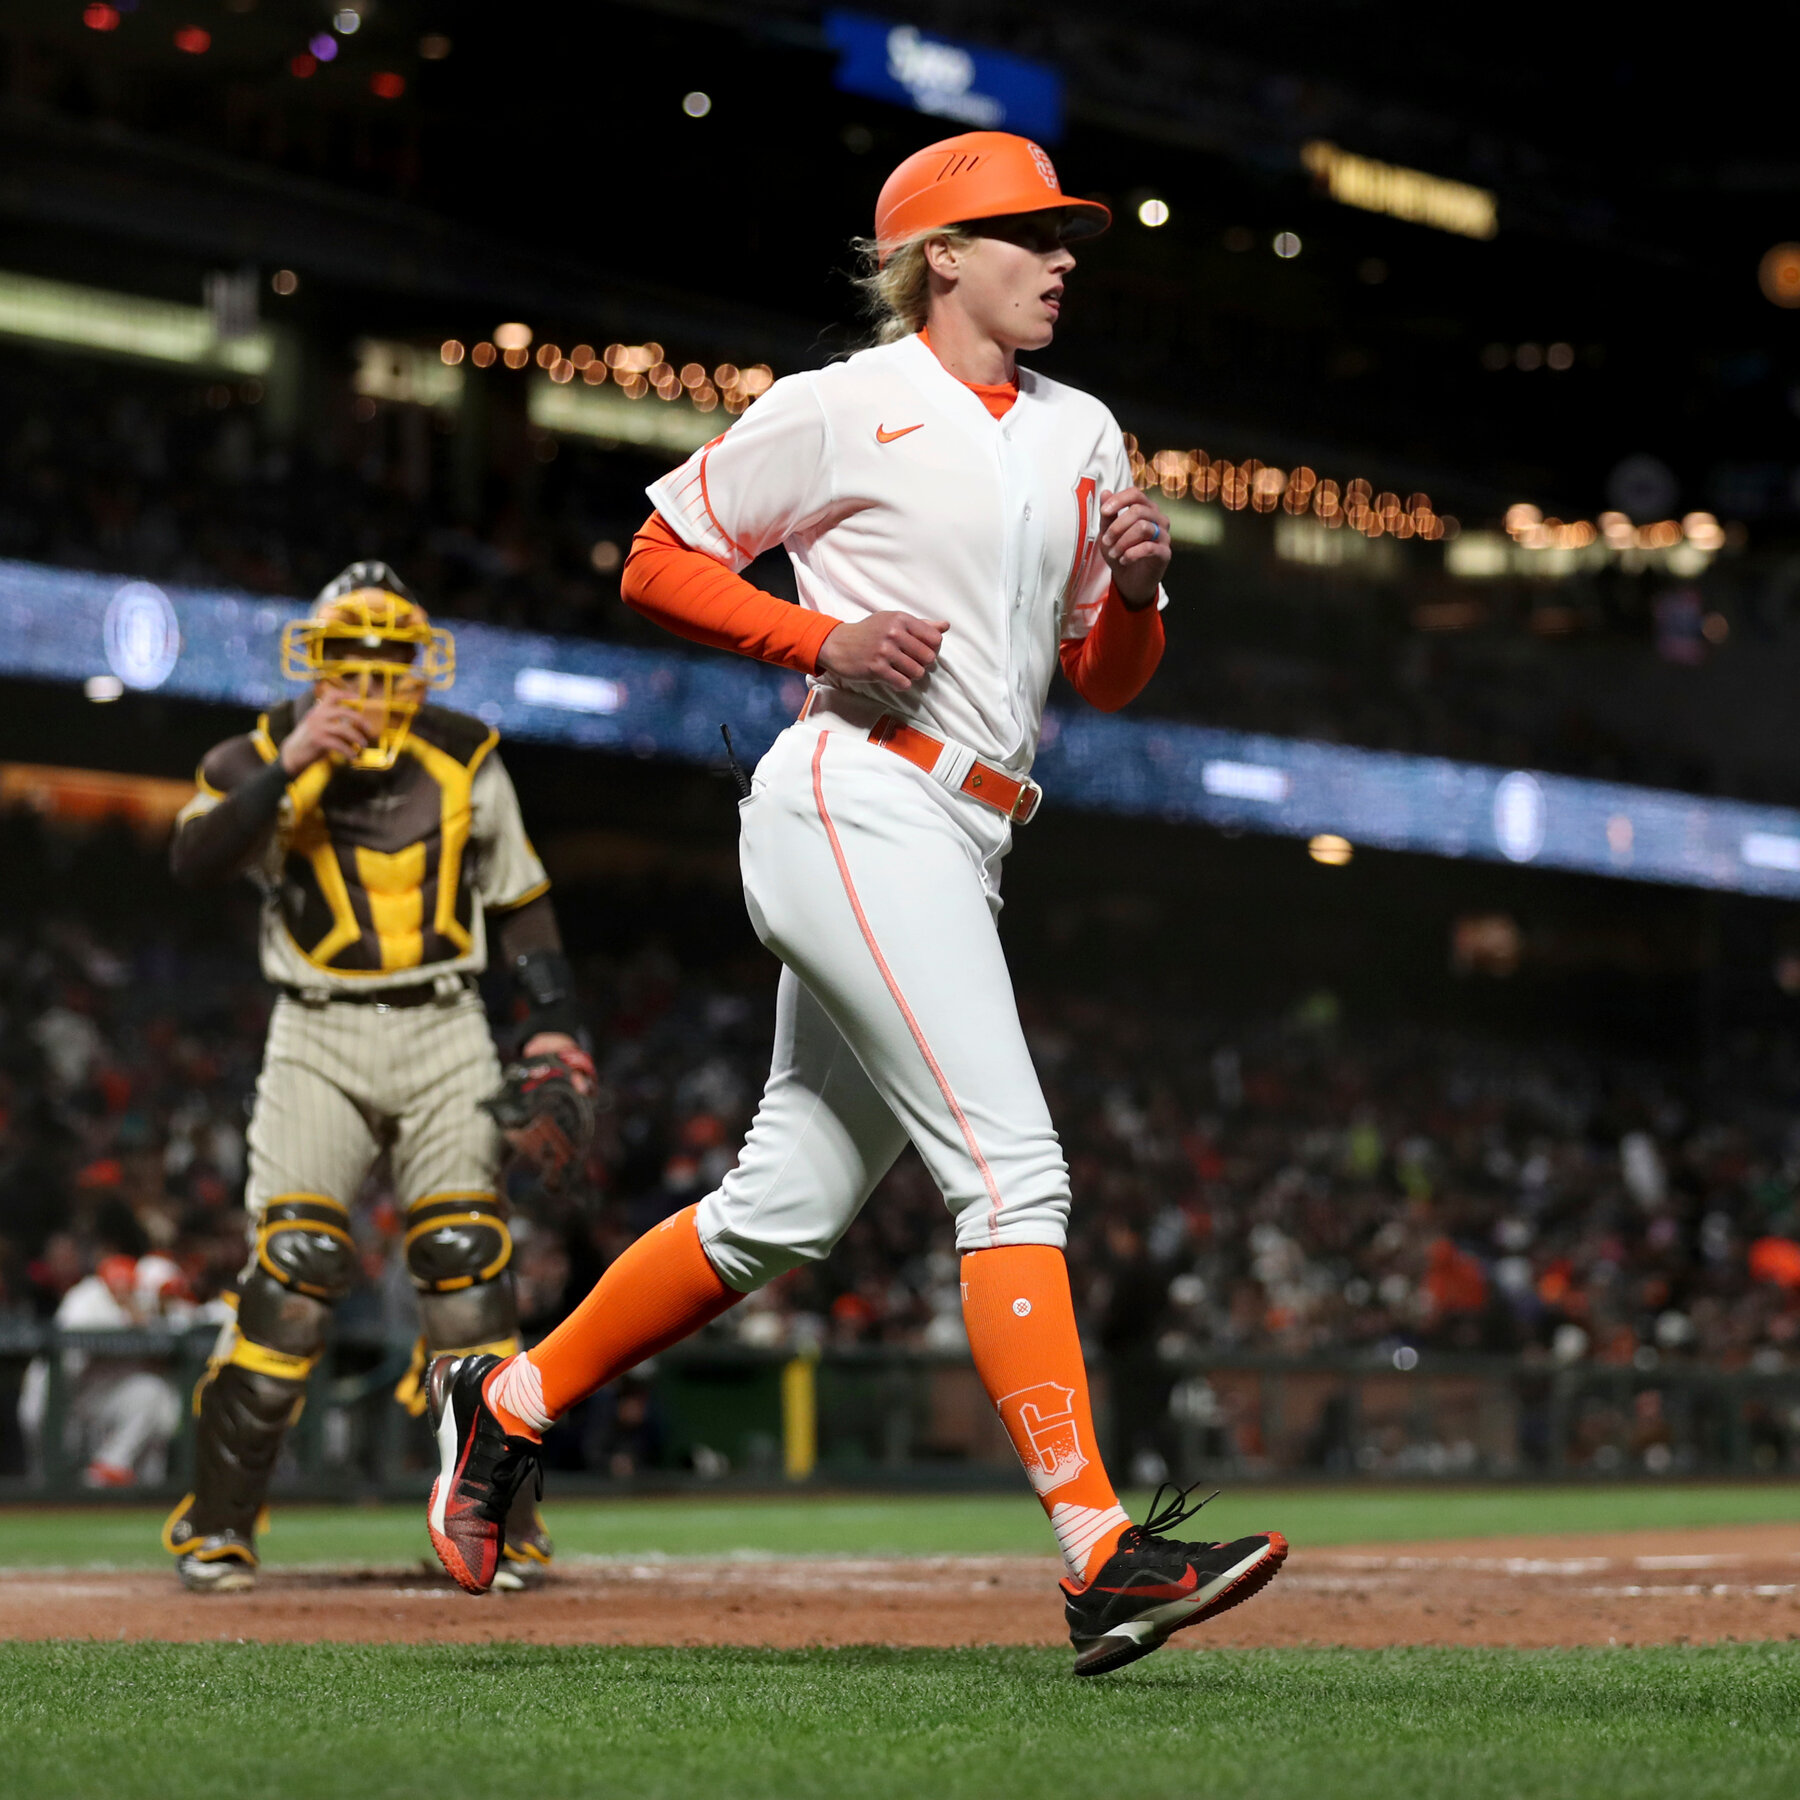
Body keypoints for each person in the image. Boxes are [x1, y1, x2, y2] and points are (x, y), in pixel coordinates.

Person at [425, 132, 1287, 1675]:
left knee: (785, 1210)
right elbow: (656, 556)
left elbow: (1099, 674)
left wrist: (1145, 597)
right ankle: (1102, 1553)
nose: (1066, 255)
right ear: (941, 253)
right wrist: (804, 641)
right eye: (1033, 232)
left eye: (1066, 233)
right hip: (856, 790)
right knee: (1015, 1175)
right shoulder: (843, 404)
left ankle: (509, 1403)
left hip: (972, 831)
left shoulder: (1086, 430)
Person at [160, 562, 595, 1593]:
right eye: (349, 661)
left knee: (464, 1270)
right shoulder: (252, 754)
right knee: (296, 1271)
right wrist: (291, 768)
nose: (369, 679)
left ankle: (501, 1525)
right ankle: (216, 1526)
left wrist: (555, 1028)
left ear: (419, 665)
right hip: (316, 1029)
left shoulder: (468, 757)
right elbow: (194, 860)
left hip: (445, 1023)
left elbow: (521, 900)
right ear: (313, 667)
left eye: (389, 659)